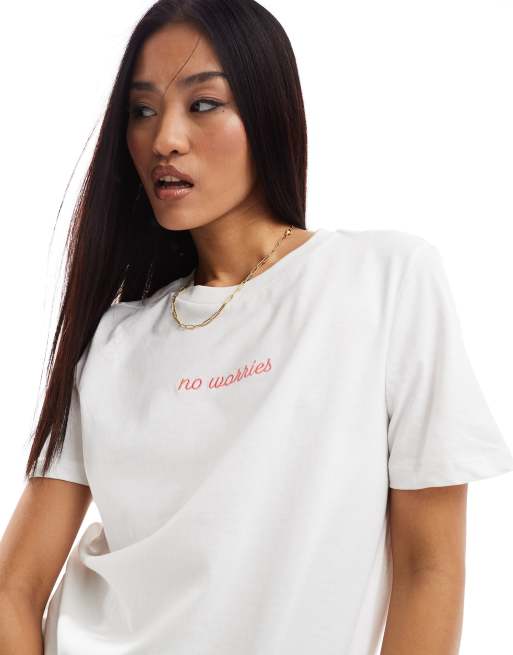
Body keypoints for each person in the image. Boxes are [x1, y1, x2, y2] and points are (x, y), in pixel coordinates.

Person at [1, 1, 512, 653]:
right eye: (142, 110)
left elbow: (429, 567)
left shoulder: (384, 280)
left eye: (203, 103)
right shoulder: (111, 341)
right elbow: (14, 586)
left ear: (269, 111)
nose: (165, 139)